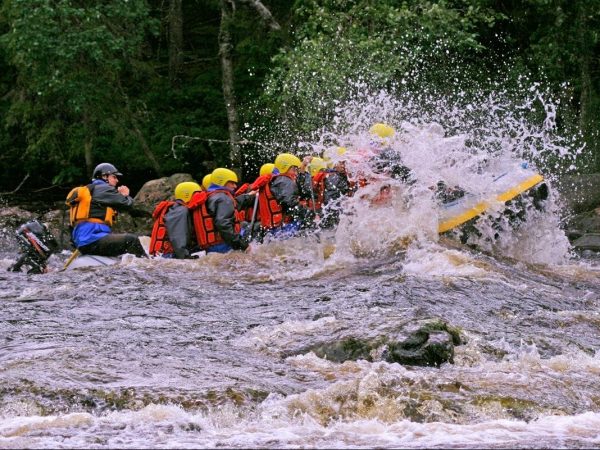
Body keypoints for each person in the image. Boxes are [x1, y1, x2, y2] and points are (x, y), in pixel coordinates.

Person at [66, 163, 147, 257]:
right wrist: (125, 195)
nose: (117, 180)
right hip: (92, 240)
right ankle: (147, 265)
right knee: (131, 240)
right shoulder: (102, 189)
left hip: (83, 241)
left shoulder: (93, 191)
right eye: (114, 177)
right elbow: (127, 205)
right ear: (104, 176)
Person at [188, 168, 252, 254]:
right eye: (232, 183)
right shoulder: (223, 198)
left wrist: (248, 196)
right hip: (223, 245)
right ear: (222, 182)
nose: (235, 186)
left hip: (212, 247)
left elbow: (234, 204)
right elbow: (223, 224)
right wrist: (242, 244)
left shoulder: (211, 195)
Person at [254, 152, 317, 236]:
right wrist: (311, 215)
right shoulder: (284, 181)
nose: (295, 173)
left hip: (273, 229)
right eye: (294, 169)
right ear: (285, 168)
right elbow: (291, 204)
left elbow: (298, 187)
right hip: (283, 229)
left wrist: (303, 166)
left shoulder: (278, 180)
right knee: (312, 230)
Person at [149, 181, 201, 259]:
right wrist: (185, 257)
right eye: (197, 194)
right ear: (187, 195)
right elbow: (177, 238)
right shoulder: (181, 211)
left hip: (162, 255)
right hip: (168, 255)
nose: (200, 197)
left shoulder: (175, 208)